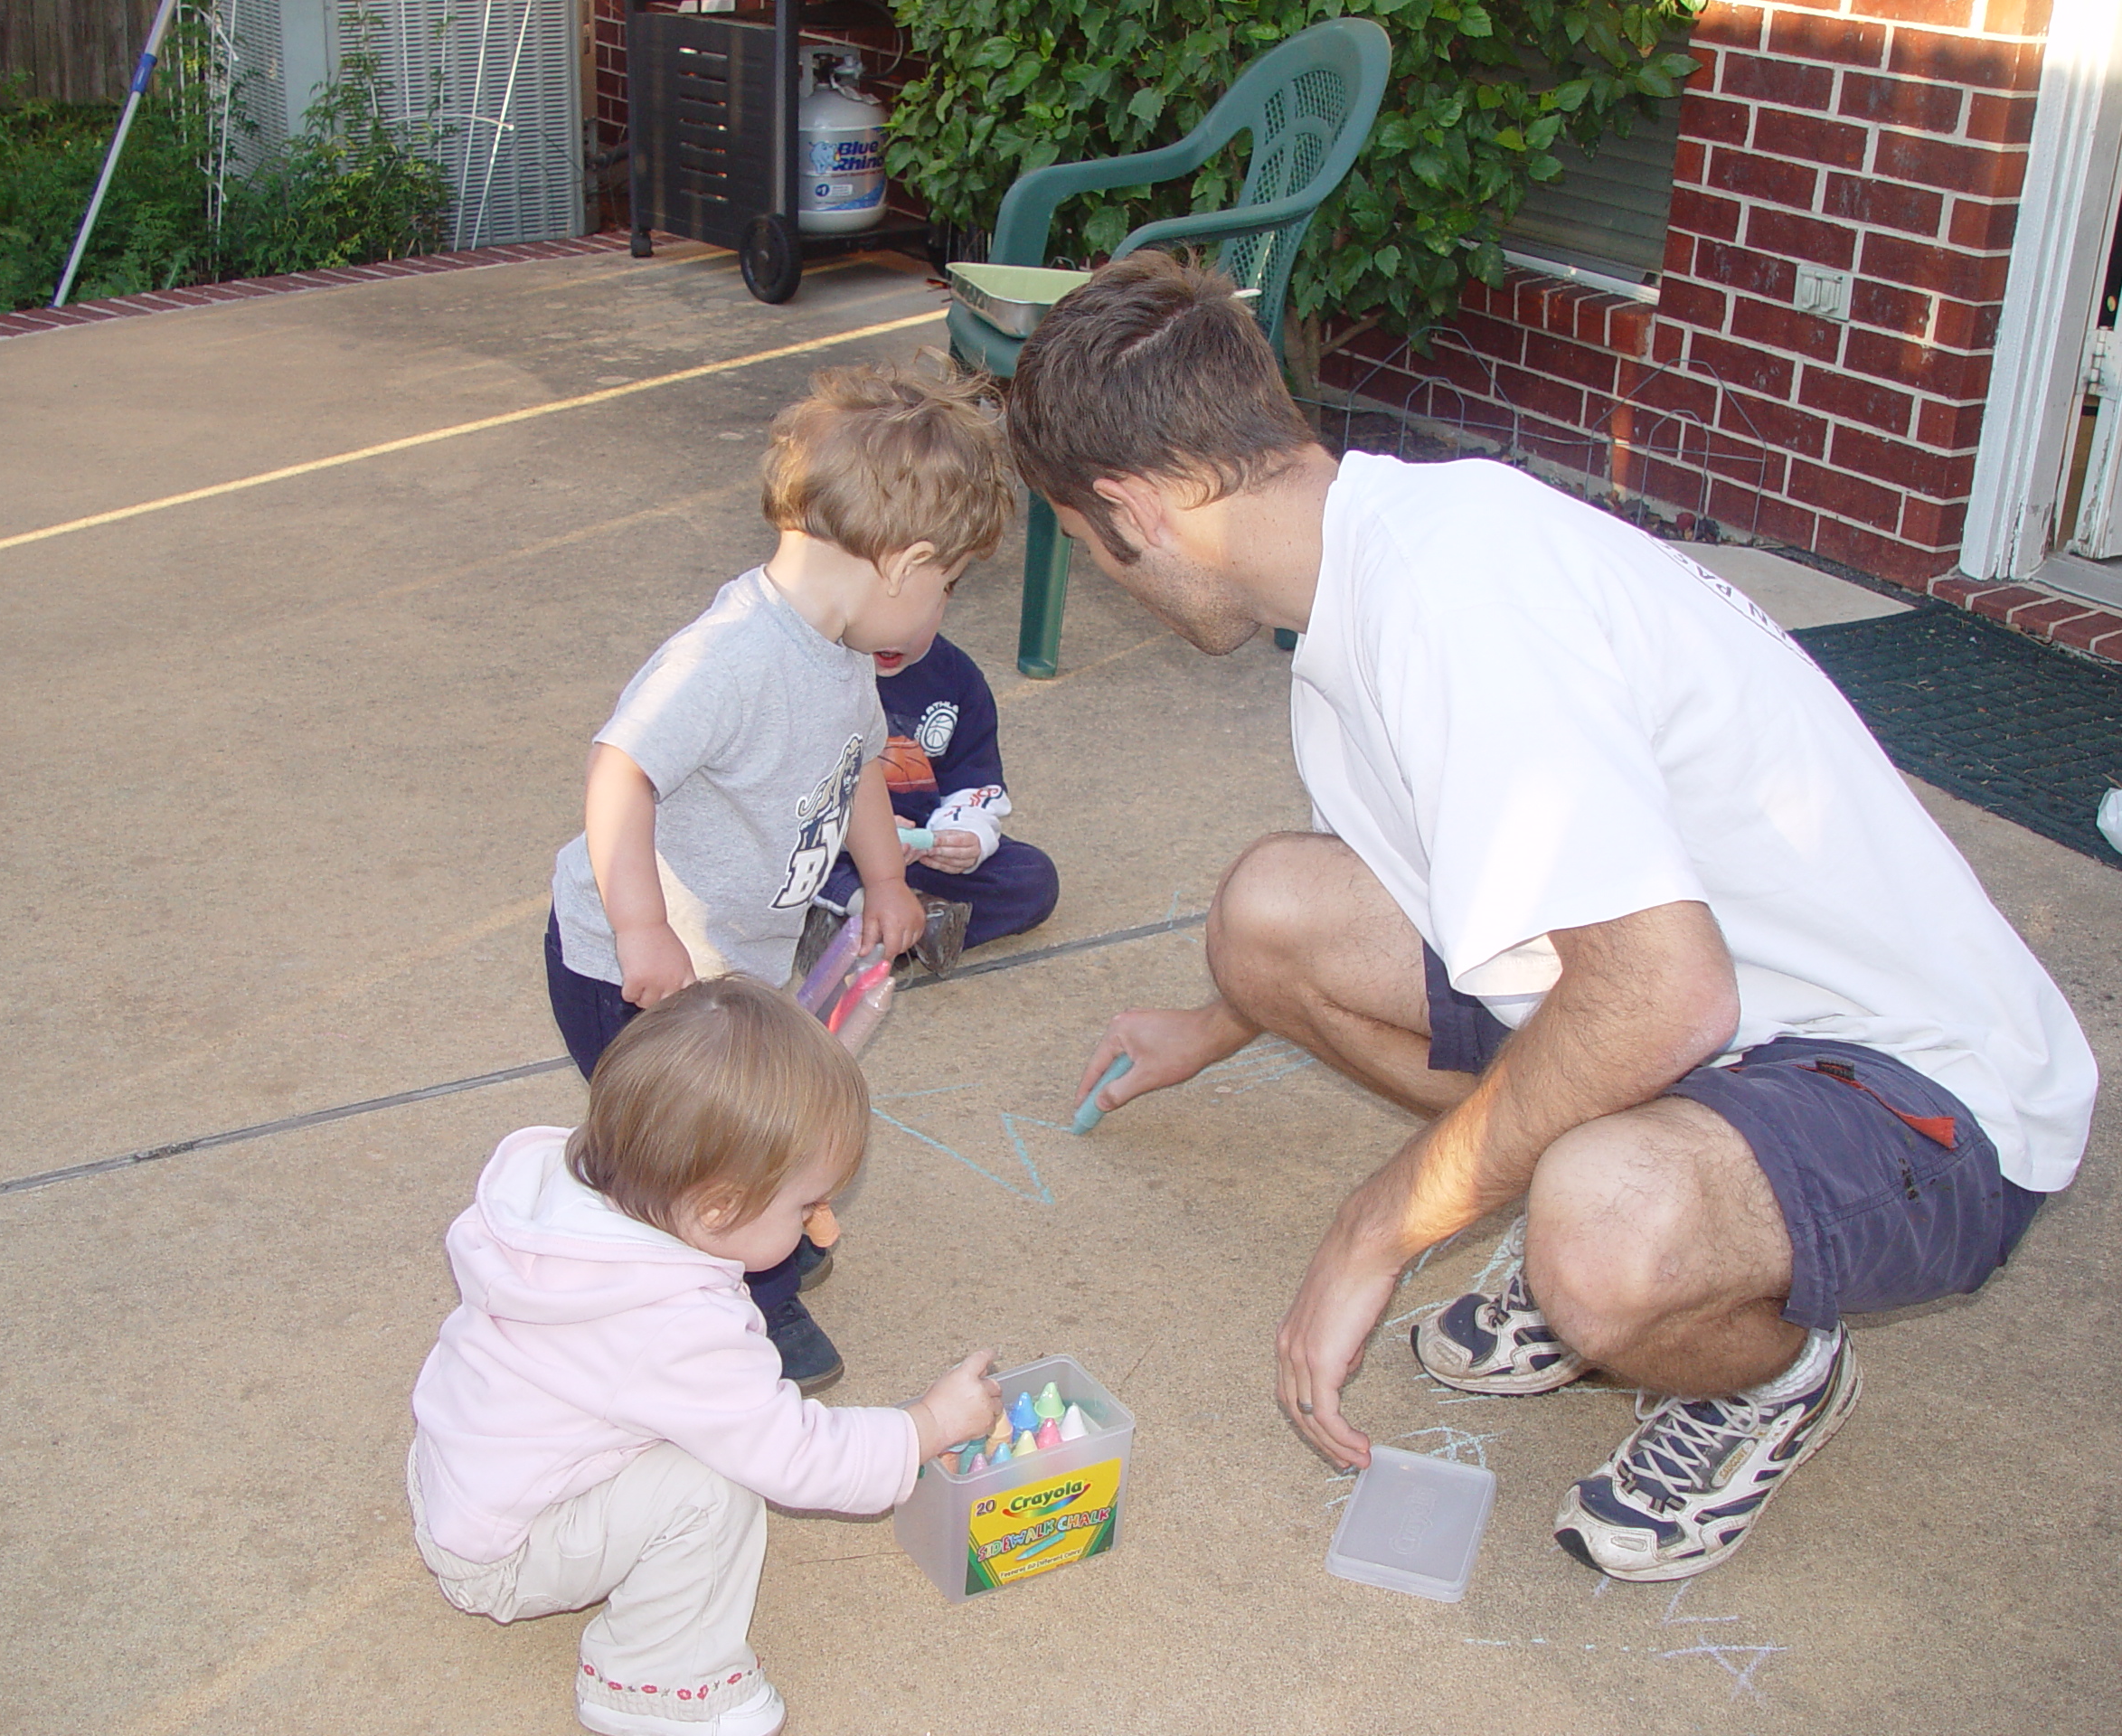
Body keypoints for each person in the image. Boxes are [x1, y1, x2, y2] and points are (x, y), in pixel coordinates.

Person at [1008, 254, 2096, 1581]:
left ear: (1136, 509)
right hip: (1721, 1001)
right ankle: (1638, 1188)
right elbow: (1462, 905)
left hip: (1921, 1082)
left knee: (1602, 1227)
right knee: (1273, 915)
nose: (1107, 570)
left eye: (1080, 535)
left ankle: (1769, 1375)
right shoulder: (1375, 561)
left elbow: (1662, 993)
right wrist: (1214, 1022)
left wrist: (1378, 1226)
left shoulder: (1455, 607)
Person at [543, 360, 1013, 1392]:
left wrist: (886, 879)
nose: (944, 609)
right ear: (904, 563)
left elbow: (855, 779)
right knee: (708, 1156)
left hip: (726, 975)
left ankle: (754, 1244)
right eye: (951, 584)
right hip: (633, 972)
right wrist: (639, 927)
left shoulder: (842, 654)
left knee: (746, 1136)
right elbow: (619, 768)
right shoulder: (731, 657)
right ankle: (745, 1305)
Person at [410, 976, 1003, 1736]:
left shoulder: (575, 1201)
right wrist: (924, 1425)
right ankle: (655, 1684)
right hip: (505, 1550)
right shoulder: (672, 1325)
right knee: (712, 1484)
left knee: (691, 1437)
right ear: (717, 1208)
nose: (826, 1227)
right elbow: (791, 1454)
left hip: (461, 1476)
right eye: (805, 1207)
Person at [814, 630, 1061, 952]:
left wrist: (962, 835)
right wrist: (861, 837)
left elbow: (973, 779)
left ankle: (895, 930)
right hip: (832, 848)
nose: (894, 634)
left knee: (1032, 879)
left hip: (918, 852)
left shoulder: (957, 675)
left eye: (914, 613)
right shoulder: (819, 669)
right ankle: (869, 916)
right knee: (770, 869)